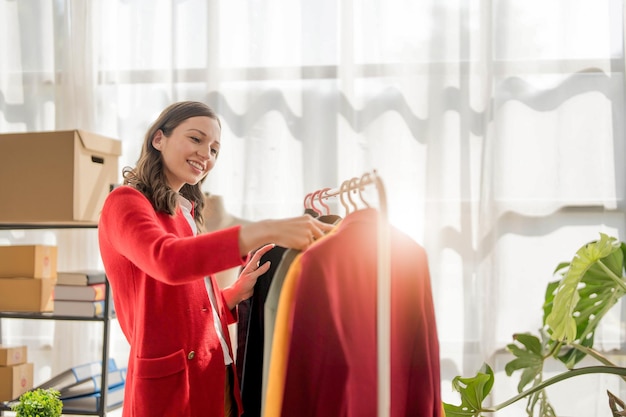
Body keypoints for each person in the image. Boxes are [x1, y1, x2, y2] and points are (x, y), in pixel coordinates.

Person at [97, 101, 333, 417]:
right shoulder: (124, 202)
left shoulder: (186, 212)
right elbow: (168, 261)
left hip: (216, 375)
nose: (206, 155)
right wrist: (261, 229)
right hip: (172, 387)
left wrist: (234, 293)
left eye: (214, 149)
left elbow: (182, 307)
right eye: (196, 139)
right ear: (158, 139)